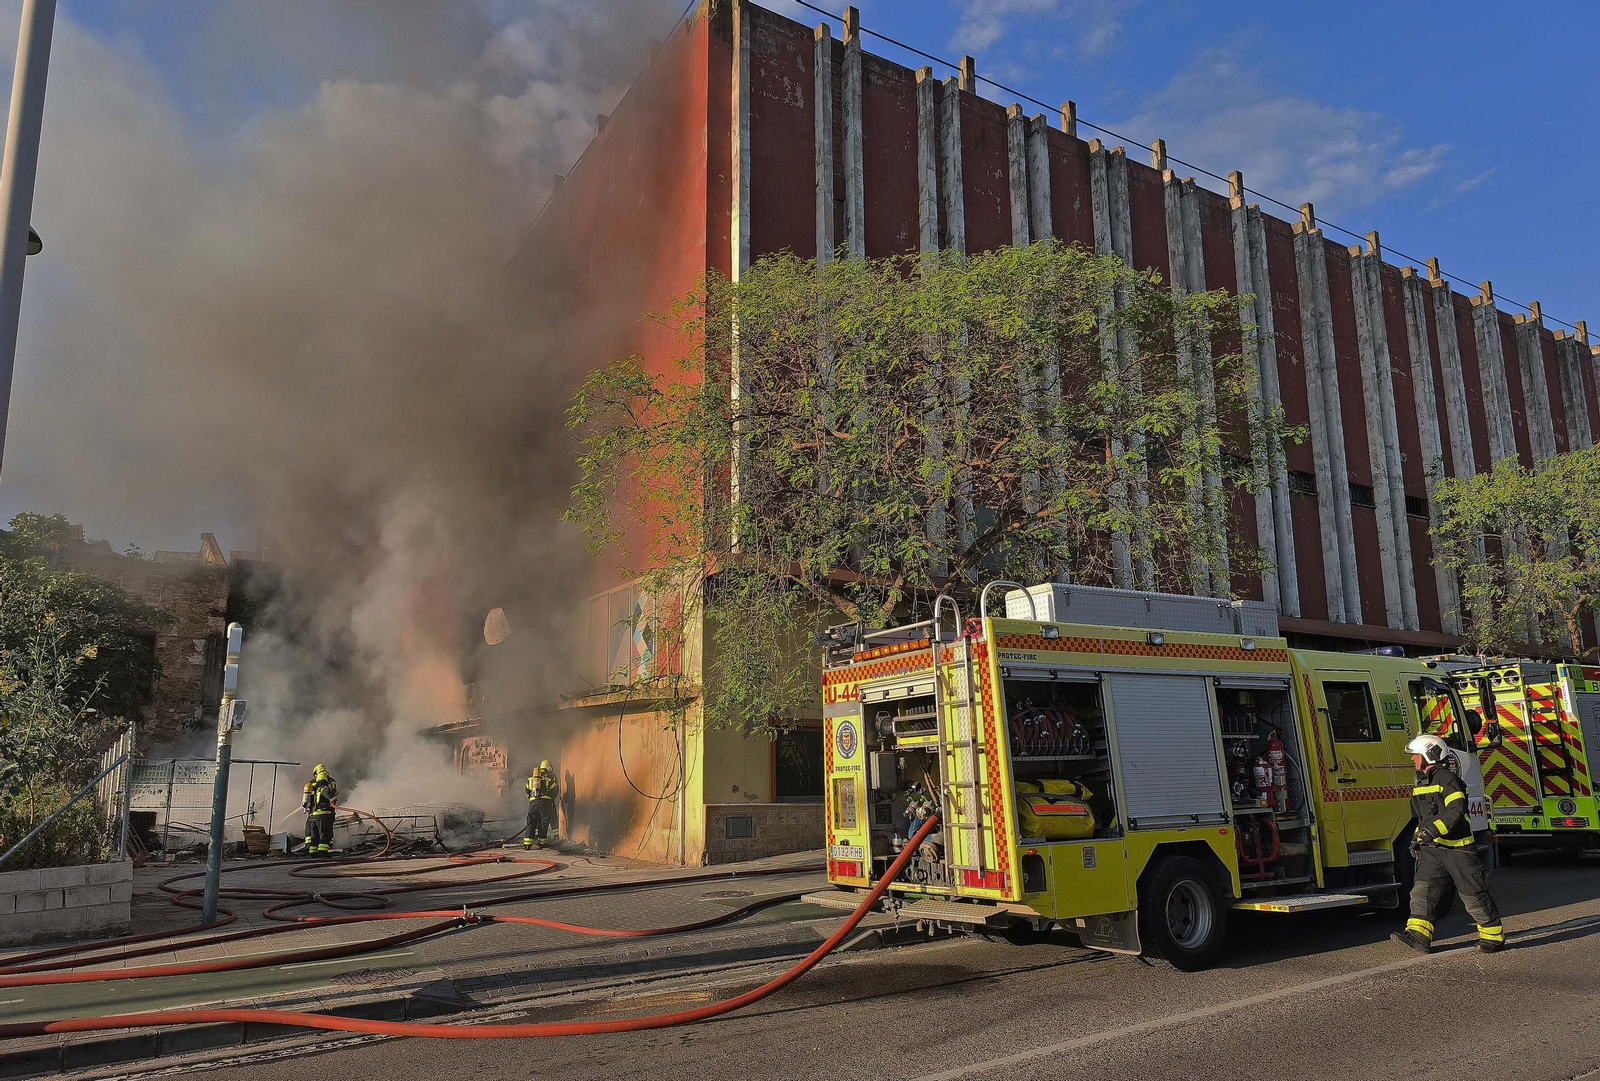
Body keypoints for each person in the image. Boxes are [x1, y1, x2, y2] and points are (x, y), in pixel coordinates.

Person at [1391, 734, 1504, 954]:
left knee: (1473, 894)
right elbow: (1422, 819)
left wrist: (1431, 831)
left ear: (1429, 755)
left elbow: (1456, 812)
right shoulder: (1421, 783)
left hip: (1458, 848)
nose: (1413, 760)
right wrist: (1417, 838)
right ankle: (1418, 936)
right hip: (1433, 850)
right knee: (1422, 893)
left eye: (1415, 756)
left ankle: (1493, 936)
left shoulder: (1447, 779)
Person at [302, 764, 338, 857]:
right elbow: (331, 795)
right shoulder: (324, 787)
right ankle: (323, 853)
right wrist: (333, 798)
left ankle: (312, 853)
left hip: (312, 816)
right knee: (324, 835)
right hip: (323, 815)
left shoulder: (312, 785)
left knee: (314, 837)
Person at [524, 760, 558, 849]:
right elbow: (554, 792)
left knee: (531, 822)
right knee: (544, 822)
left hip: (533, 804)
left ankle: (527, 844)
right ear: (549, 768)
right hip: (545, 804)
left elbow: (527, 790)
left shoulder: (531, 779)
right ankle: (541, 843)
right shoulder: (550, 778)